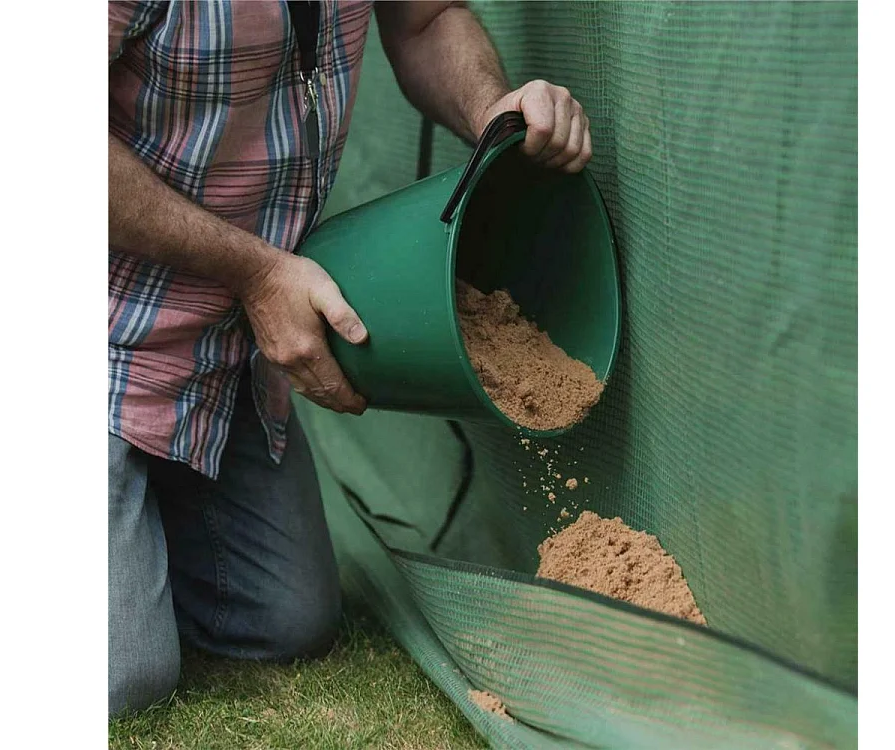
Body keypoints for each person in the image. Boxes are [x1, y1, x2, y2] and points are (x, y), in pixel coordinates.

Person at [108, 0, 592, 717]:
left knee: (284, 622)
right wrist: (258, 273)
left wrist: (497, 111)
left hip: (219, 351)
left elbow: (426, 20)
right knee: (120, 678)